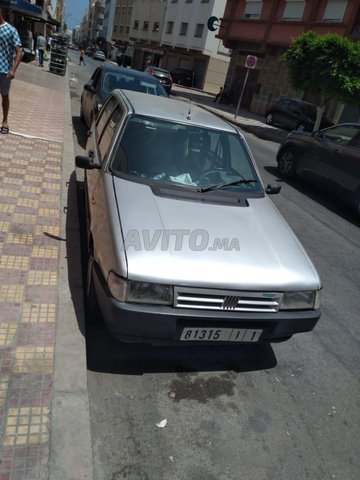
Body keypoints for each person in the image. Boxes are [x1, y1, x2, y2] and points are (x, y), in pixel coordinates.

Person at [0, 7, 23, 134]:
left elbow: (19, 52)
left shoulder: (11, 30)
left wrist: (13, 69)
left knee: (4, 96)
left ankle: (5, 120)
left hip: (4, 70)